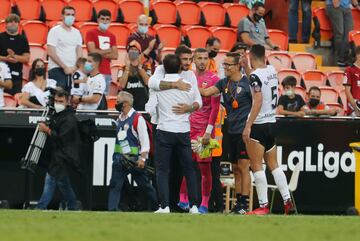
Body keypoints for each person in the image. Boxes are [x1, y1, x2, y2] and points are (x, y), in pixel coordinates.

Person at [243, 44, 295, 215]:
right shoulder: (272, 70)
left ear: (251, 56)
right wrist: (247, 68)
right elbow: (258, 80)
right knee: (275, 165)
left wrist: (248, 124)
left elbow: (257, 98)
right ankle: (287, 200)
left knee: (256, 165)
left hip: (258, 124)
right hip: (272, 123)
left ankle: (263, 205)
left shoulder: (255, 76)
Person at [146, 54, 202, 214]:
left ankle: (164, 206)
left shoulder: (157, 86)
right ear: (179, 68)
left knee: (162, 170)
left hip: (164, 131)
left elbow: (150, 108)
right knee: (189, 169)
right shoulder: (189, 84)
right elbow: (199, 102)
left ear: (164, 68)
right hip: (183, 131)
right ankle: (194, 206)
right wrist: (189, 108)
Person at [199, 52, 252, 214]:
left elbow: (259, 99)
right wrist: (191, 81)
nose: (226, 68)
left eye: (229, 65)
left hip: (245, 132)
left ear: (238, 66)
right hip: (231, 131)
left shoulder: (248, 83)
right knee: (235, 168)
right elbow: (206, 92)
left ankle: (244, 204)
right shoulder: (224, 83)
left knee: (244, 167)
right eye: (225, 64)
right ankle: (238, 204)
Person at [177, 48, 220, 214]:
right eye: (199, 58)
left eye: (205, 58)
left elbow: (215, 109)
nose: (202, 61)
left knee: (204, 168)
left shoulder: (215, 79)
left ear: (209, 60)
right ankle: (183, 198)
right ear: (193, 60)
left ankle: (204, 202)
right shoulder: (187, 77)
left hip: (204, 130)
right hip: (187, 128)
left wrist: (209, 132)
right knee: (187, 163)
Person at [108, 91, 158, 211]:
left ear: (125, 103)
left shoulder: (137, 119)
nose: (116, 104)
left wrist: (143, 159)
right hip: (120, 160)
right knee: (115, 185)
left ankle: (158, 207)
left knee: (145, 186)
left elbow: (145, 142)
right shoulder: (120, 118)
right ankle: (111, 210)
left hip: (134, 160)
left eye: (118, 102)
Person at [36, 87, 81, 210]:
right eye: (56, 101)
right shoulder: (58, 115)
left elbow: (61, 137)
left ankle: (40, 207)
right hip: (58, 153)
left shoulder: (70, 118)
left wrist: (47, 130)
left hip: (65, 154)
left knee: (50, 179)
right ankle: (73, 206)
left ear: (67, 102)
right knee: (63, 183)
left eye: (61, 101)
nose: (58, 104)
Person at [47, 6, 83, 91]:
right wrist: (64, 67)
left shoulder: (77, 32)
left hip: (73, 70)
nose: (71, 17)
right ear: (62, 16)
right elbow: (51, 52)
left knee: (72, 96)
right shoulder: (55, 31)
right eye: (68, 14)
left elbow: (79, 51)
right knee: (58, 95)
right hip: (57, 69)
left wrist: (75, 67)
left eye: (73, 15)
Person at [86, 9, 118, 95]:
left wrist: (99, 52)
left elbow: (115, 55)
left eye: (107, 19)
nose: (105, 21)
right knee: (90, 96)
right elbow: (92, 52)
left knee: (103, 101)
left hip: (106, 72)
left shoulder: (112, 36)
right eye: (102, 19)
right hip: (92, 71)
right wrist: (108, 50)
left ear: (110, 20)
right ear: (98, 20)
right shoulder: (91, 33)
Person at [0, 13, 30, 95]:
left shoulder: (23, 39)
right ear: (5, 24)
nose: (13, 23)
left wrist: (14, 56)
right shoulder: (0, 37)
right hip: (1, 76)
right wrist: (6, 59)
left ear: (18, 24)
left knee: (14, 102)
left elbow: (27, 58)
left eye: (16, 21)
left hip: (16, 77)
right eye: (10, 21)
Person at [118, 40, 150, 111]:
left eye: (136, 50)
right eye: (131, 49)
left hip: (143, 104)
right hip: (128, 105)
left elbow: (148, 82)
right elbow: (121, 85)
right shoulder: (122, 68)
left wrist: (140, 67)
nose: (133, 51)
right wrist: (127, 67)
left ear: (139, 52)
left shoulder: (146, 67)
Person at [326, 0, 360, 67]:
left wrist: (356, 5)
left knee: (349, 34)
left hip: (347, 7)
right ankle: (337, 59)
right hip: (334, 5)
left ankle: (343, 59)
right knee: (339, 33)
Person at [344, 46, 360, 116]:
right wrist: (356, 109)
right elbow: (347, 91)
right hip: (354, 108)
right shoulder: (349, 70)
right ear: (358, 55)